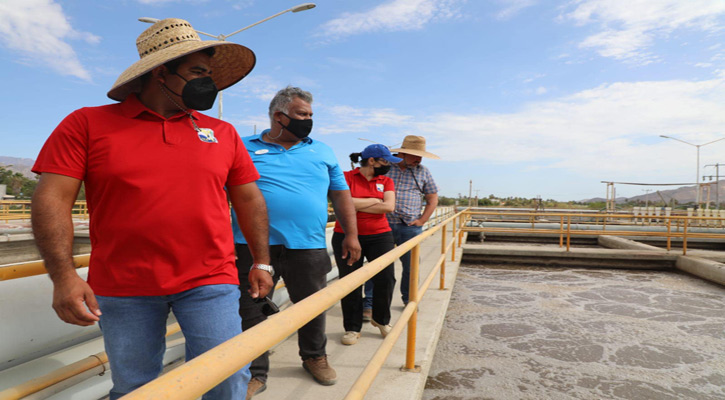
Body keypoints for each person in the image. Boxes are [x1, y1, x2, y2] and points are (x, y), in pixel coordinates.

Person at [31, 19, 272, 400]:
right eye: (197, 72)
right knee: (135, 389)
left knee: (226, 377)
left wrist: (262, 261)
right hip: (124, 286)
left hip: (210, 280)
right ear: (161, 72)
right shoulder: (87, 123)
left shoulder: (222, 133)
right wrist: (63, 276)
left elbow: (249, 198)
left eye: (208, 73)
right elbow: (51, 199)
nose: (206, 82)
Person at [232, 86, 361, 394]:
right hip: (250, 246)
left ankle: (315, 357)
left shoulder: (323, 150)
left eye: (311, 115)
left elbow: (341, 195)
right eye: (302, 114)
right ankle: (255, 372)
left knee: (313, 306)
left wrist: (351, 234)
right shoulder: (242, 146)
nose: (309, 121)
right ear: (279, 116)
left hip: (308, 244)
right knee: (251, 310)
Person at [332, 145, 400, 345]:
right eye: (385, 161)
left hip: (380, 236)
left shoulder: (386, 180)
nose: (388, 166)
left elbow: (389, 207)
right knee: (351, 281)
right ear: (372, 161)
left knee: (386, 279)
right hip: (346, 235)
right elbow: (340, 203)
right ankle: (352, 328)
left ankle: (381, 320)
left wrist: (355, 202)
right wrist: (373, 201)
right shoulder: (346, 177)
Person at [363, 135, 439, 308]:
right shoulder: (386, 168)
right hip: (382, 225)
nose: (418, 159)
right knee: (377, 264)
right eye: (414, 155)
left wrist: (422, 220)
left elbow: (433, 199)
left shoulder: (423, 171)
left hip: (410, 227)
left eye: (420, 156)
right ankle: (369, 302)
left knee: (411, 267)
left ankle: (409, 299)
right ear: (402, 154)